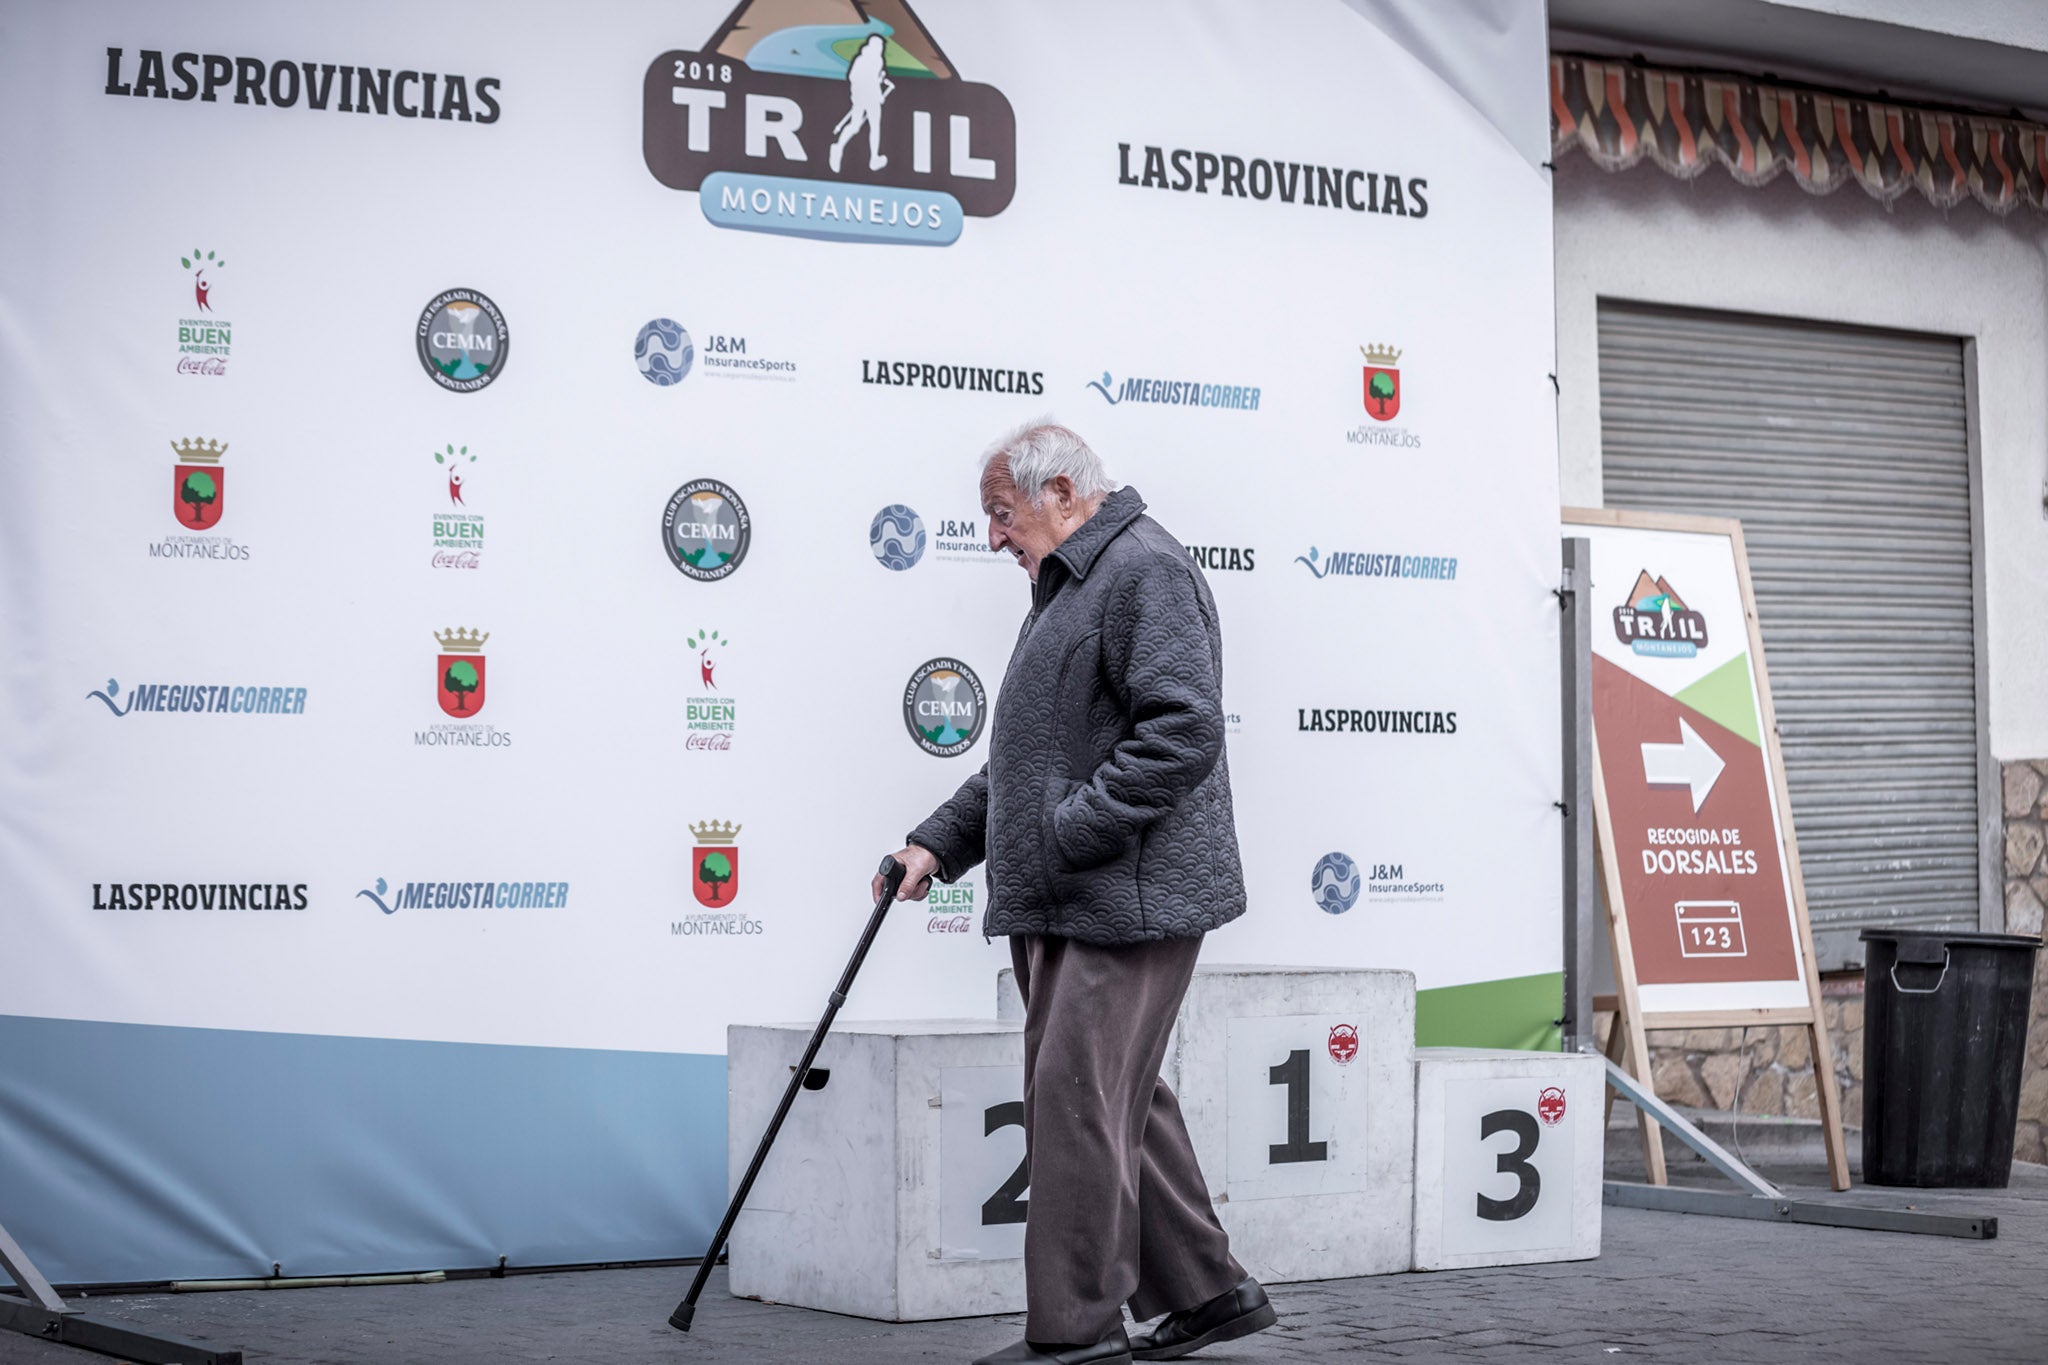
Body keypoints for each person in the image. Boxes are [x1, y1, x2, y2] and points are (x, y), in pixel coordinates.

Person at [876, 420, 1277, 1365]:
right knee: (1110, 1097)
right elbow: (1028, 763)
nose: (993, 536)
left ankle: (1076, 1334)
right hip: (1079, 898)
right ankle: (1211, 1292)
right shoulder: (1073, 585)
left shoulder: (1144, 570)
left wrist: (1066, 833)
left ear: (1062, 490)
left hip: (1122, 900)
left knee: (1073, 1100)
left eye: (1001, 514)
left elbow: (1181, 732)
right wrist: (938, 841)